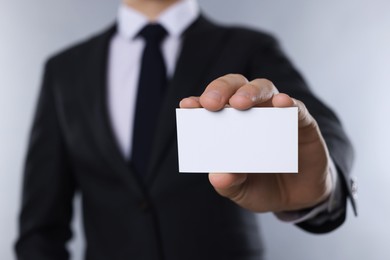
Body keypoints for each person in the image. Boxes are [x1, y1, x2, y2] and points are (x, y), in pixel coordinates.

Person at [15, 0, 356, 259]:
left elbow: (321, 128)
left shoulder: (248, 47)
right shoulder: (64, 70)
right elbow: (40, 227)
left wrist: (324, 187)